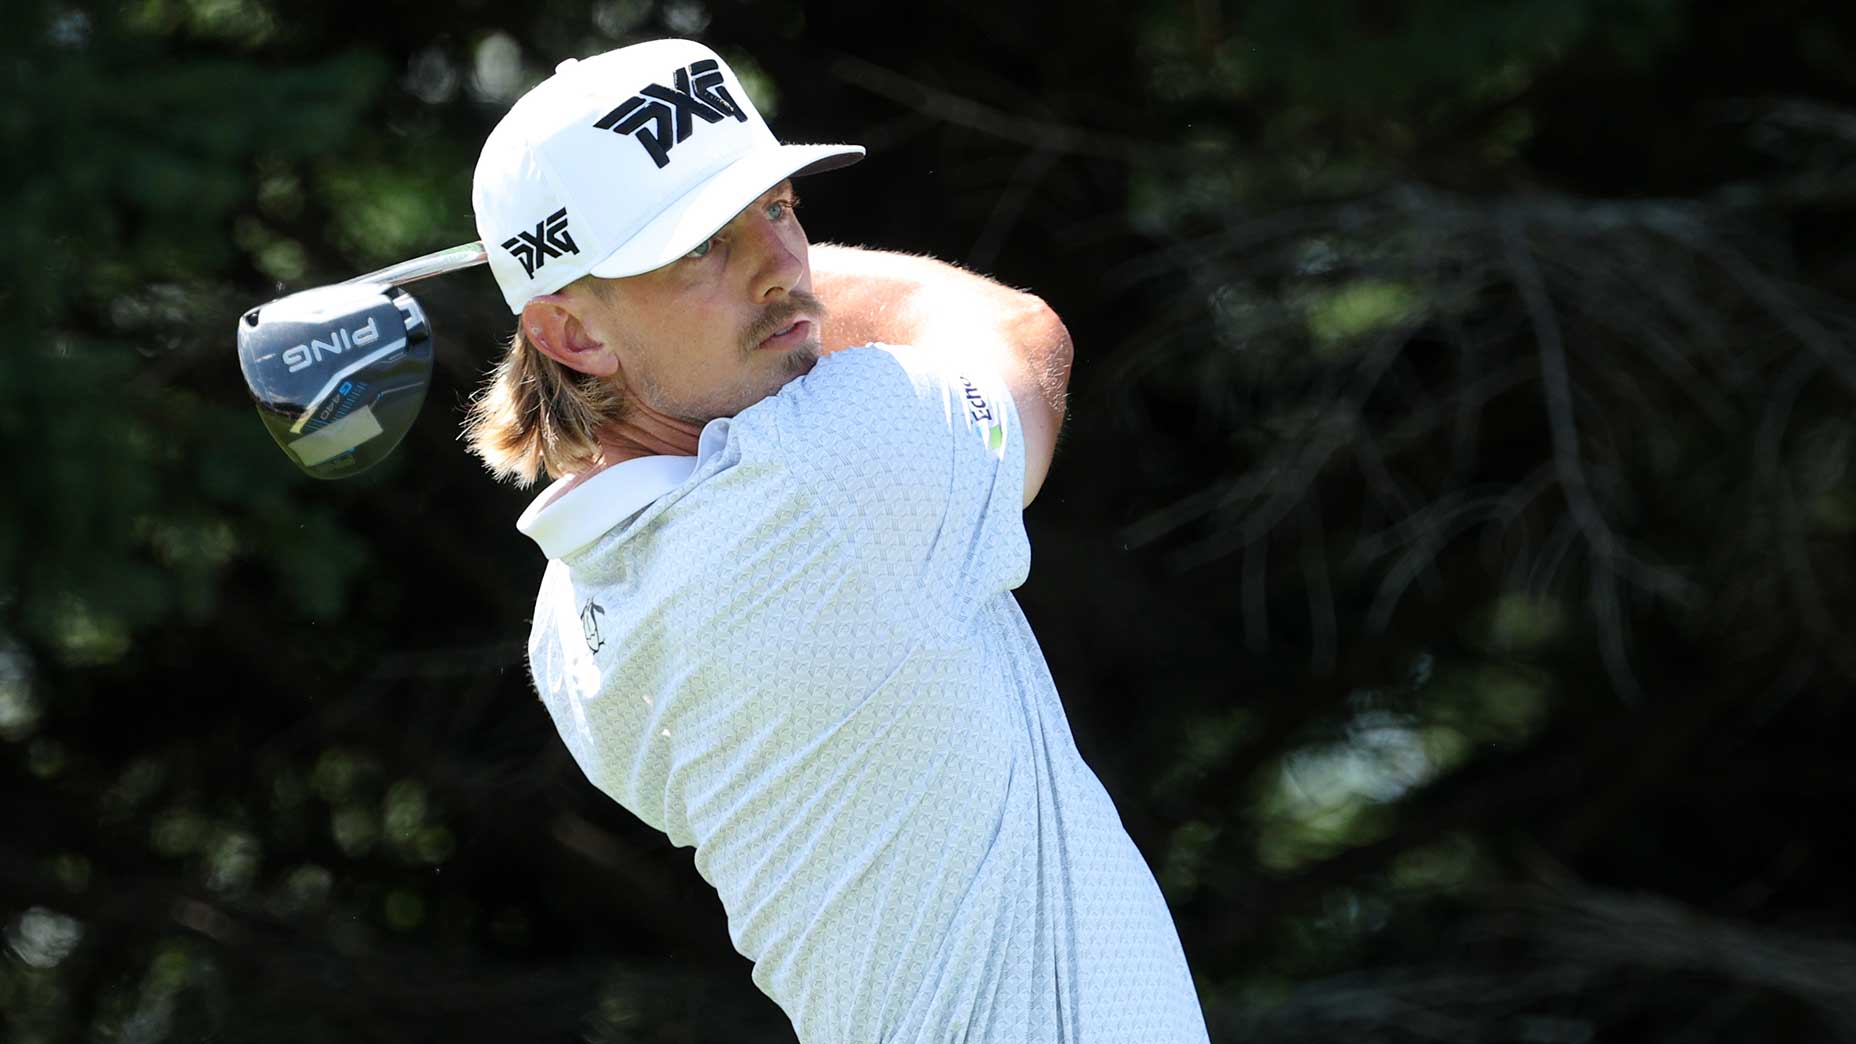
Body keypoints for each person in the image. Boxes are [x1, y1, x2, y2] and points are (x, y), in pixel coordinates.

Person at [462, 38, 1210, 1044]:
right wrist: (776, 279)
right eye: (700, 248)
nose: (783, 266)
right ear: (574, 337)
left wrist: (621, 296)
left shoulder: (569, 630)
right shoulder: (833, 472)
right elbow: (1016, 330)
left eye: (777, 208)